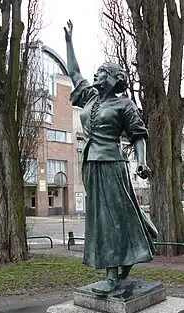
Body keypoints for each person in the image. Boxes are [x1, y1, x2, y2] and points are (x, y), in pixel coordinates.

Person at [64, 20, 158, 295]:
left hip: (112, 165)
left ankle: (113, 273)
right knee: (102, 219)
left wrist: (141, 162)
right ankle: (126, 257)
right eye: (98, 71)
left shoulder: (123, 104)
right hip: (91, 166)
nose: (98, 74)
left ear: (115, 79)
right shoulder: (90, 98)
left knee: (114, 218)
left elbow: (138, 135)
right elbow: (74, 72)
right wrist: (69, 42)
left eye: (103, 72)